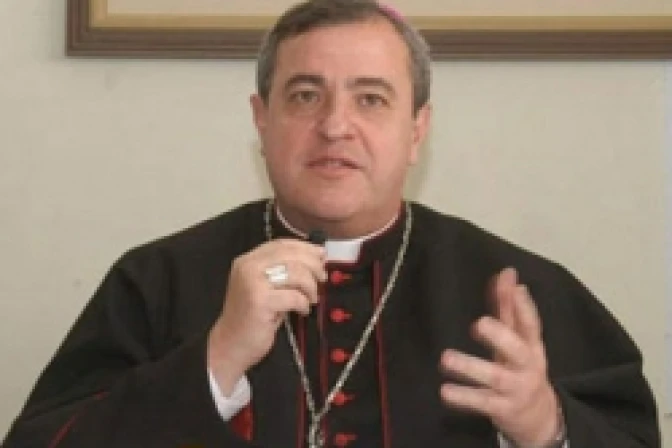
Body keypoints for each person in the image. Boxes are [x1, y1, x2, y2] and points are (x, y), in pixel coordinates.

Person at [3, 0, 660, 447]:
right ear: (262, 120)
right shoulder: (157, 280)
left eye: (371, 98)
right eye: (305, 95)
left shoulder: (514, 290)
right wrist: (216, 358)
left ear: (417, 130)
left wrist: (546, 426)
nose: (335, 125)